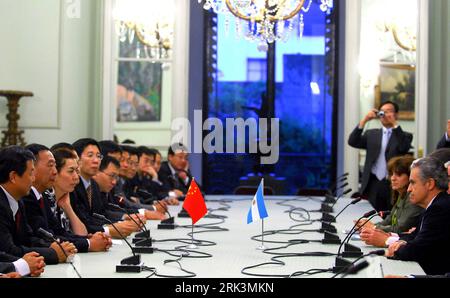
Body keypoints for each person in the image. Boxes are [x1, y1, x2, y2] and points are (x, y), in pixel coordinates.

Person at [22, 145, 111, 253]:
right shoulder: (33, 197)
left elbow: (60, 232)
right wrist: (88, 243)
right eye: (71, 171)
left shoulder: (48, 197)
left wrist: (88, 240)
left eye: (77, 171)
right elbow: (47, 237)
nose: (76, 177)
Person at [0, 146, 74, 265]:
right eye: (30, 174)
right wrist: (53, 253)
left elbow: (27, 239)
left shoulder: (18, 200)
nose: (33, 179)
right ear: (13, 177)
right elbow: (8, 250)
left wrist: (53, 247)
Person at [386, 157, 450, 275]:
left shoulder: (440, 209)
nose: (409, 189)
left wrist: (396, 249)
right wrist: (400, 242)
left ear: (429, 184)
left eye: (413, 183)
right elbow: (414, 237)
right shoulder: (433, 205)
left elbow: (416, 250)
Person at [348, 101, 413, 211]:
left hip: (393, 182)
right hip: (373, 182)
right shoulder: (371, 134)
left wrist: (394, 124)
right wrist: (365, 120)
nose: (385, 114)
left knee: (391, 213)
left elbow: (403, 147)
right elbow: (353, 141)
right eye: (383, 112)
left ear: (396, 114)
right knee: (371, 213)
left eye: (389, 111)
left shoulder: (404, 135)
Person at [70, 138, 138, 238]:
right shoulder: (72, 186)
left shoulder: (93, 185)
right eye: (90, 155)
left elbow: (100, 214)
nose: (96, 160)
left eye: (98, 156)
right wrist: (109, 229)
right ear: (76, 158)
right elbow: (83, 220)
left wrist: (121, 223)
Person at [356, 155, 424, 247]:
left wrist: (374, 227)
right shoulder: (401, 195)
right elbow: (388, 220)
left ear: (410, 177)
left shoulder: (413, 198)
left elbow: (399, 228)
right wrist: (367, 226)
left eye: (398, 175)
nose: (393, 178)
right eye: (391, 174)